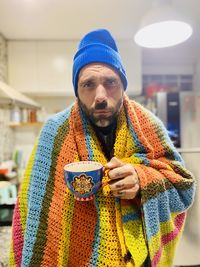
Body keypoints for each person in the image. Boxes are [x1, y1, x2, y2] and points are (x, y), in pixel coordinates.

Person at [9, 29, 195, 267]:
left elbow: (184, 188)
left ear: (123, 85)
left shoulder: (149, 124)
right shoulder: (54, 132)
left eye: (110, 82)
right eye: (88, 84)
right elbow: (35, 213)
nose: (100, 95)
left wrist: (142, 180)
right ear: (76, 90)